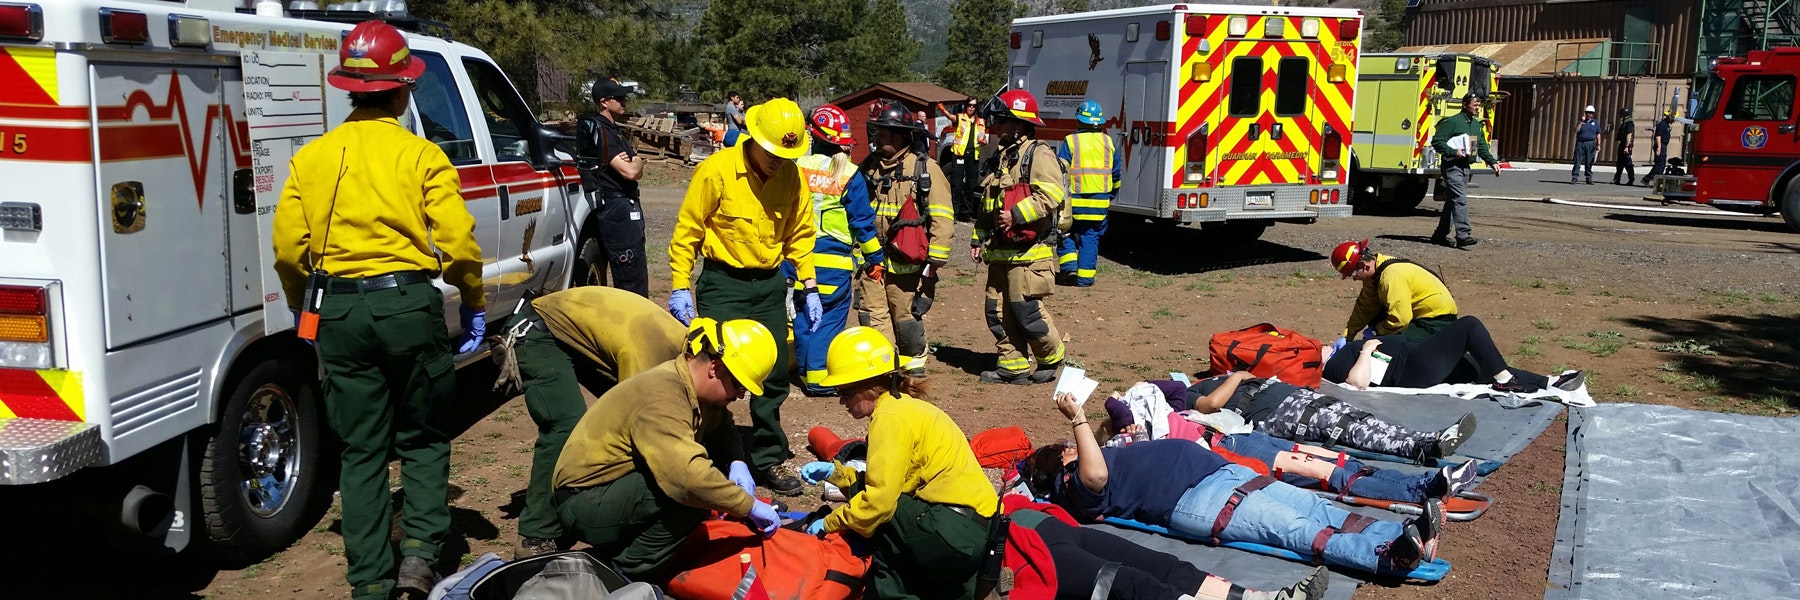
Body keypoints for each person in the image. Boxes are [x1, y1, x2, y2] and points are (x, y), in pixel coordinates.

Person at [270, 21, 485, 599]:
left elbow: (290, 249)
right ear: (403, 89)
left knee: (361, 450)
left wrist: (302, 310)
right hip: (407, 306)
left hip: (337, 310)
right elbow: (459, 244)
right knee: (421, 437)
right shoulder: (422, 157)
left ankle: (368, 582)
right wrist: (473, 299)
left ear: (350, 89)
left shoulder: (311, 159)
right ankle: (418, 562)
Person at [1020, 399, 1442, 575]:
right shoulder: (1073, 484)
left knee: (1320, 511)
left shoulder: (1095, 455)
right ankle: (1386, 558)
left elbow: (1121, 420)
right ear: (1058, 464)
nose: (1070, 447)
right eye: (1063, 449)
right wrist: (1076, 420)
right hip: (1202, 500)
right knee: (1300, 528)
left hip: (1224, 476)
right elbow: (1094, 479)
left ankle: (1401, 536)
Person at [551, 318, 784, 582]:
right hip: (583, 501)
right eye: (740, 386)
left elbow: (722, 427)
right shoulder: (663, 397)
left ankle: (623, 548)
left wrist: (735, 461)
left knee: (708, 482)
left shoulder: (695, 388)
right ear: (715, 368)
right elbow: (687, 479)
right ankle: (622, 574)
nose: (740, 396)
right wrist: (748, 505)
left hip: (610, 488)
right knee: (696, 493)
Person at [668, 97, 819, 495]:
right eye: (772, 151)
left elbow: (800, 234)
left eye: (786, 154)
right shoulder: (716, 170)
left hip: (768, 284)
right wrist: (681, 283)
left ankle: (768, 456)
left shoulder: (791, 177)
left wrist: (810, 283)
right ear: (753, 137)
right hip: (723, 283)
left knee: (770, 375)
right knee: (714, 370)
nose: (777, 160)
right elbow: (688, 230)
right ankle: (705, 456)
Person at [797, 327, 1000, 599]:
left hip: (950, 534)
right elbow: (899, 481)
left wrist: (831, 522)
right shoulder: (906, 407)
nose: (841, 401)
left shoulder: (889, 418)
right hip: (975, 534)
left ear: (869, 386)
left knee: (875, 525)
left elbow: (879, 502)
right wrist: (838, 474)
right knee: (885, 512)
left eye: (845, 391)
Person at [489, 287, 687, 558]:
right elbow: (637, 423)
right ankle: (536, 534)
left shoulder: (685, 351)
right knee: (566, 425)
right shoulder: (648, 356)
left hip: (586, 338)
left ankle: (592, 500)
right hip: (539, 331)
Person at [1006, 502, 1329, 600]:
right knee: (1128, 582)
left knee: (1166, 566)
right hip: (1019, 551)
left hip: (1051, 527)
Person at [973, 89, 1069, 385]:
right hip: (1000, 251)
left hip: (1030, 253)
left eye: (1002, 121)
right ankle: (1011, 364)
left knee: (1025, 310)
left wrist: (1016, 215)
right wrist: (978, 238)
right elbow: (988, 204)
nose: (995, 127)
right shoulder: (1002, 156)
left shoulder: (1038, 154)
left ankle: (1051, 358)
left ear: (1019, 123)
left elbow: (1052, 193)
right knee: (997, 311)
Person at [790, 104, 885, 396]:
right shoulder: (847, 174)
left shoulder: (796, 169)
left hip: (797, 262)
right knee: (828, 320)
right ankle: (819, 379)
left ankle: (806, 374)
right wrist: (875, 259)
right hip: (833, 266)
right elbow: (862, 223)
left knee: (804, 317)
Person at [1181, 372, 1476, 462]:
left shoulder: (1212, 378)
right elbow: (1210, 405)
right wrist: (1239, 377)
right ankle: (1418, 449)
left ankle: (1430, 438)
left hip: (1293, 397)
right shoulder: (1188, 395)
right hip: (1278, 414)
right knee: (1348, 430)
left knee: (1363, 419)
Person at [861, 99, 956, 376]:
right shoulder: (868, 167)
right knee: (871, 316)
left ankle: (914, 370)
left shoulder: (925, 169)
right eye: (877, 131)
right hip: (872, 262)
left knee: (905, 320)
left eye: (885, 132)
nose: (878, 137)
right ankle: (883, 371)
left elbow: (942, 219)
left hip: (909, 267)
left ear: (902, 135)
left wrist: (933, 266)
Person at [1324, 316, 1587, 394]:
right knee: (1469, 325)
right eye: (1319, 348)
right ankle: (1506, 380)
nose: (1325, 345)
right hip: (1413, 368)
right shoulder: (1336, 363)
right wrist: (1366, 351)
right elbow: (1357, 382)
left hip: (1419, 360)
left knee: (1482, 365)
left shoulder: (1341, 351)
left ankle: (1550, 383)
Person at [575, 78, 649, 296]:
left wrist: (637, 161)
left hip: (626, 205)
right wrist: (637, 162)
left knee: (636, 272)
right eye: (618, 98)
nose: (624, 101)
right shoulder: (601, 131)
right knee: (630, 279)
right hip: (615, 208)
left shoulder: (614, 130)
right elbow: (630, 171)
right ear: (604, 102)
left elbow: (635, 163)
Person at [1330, 239, 1458, 347]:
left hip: (1436, 321)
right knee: (1376, 318)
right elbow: (1365, 307)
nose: (1354, 278)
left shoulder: (1391, 276)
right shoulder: (1375, 273)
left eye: (1352, 274)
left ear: (1363, 266)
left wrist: (1376, 332)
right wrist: (1348, 335)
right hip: (1418, 315)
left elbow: (1400, 320)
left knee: (1393, 346)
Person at [1056, 99, 1121, 287]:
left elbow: (1061, 169)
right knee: (1090, 238)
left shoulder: (1072, 141)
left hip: (1074, 202)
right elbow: (1116, 173)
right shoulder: (1108, 142)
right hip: (1099, 203)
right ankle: (1085, 279)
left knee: (1065, 234)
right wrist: (1112, 193)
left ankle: (1069, 269)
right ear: (1099, 122)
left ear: (1079, 121)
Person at [1427, 93, 1499, 249]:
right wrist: (1453, 152)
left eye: (1479, 105)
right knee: (1460, 199)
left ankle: (1440, 235)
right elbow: (1437, 141)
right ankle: (1463, 235)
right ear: (1465, 105)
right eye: (1474, 105)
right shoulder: (1453, 122)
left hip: (1466, 167)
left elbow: (1480, 147)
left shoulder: (1475, 125)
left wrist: (1492, 162)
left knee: (1453, 201)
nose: (1477, 108)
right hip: (1452, 166)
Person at [945, 99, 988, 221]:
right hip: (959, 155)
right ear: (966, 106)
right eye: (969, 105)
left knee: (971, 186)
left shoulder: (981, 121)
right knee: (957, 184)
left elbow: (983, 137)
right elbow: (951, 117)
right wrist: (944, 111)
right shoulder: (960, 117)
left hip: (973, 156)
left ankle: (966, 214)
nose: (972, 108)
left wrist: (983, 141)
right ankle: (954, 212)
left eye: (974, 106)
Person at [1641, 110, 1675, 185]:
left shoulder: (1667, 125)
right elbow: (1658, 136)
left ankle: (1658, 181)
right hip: (1660, 145)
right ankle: (1647, 179)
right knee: (1659, 164)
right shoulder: (1662, 124)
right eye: (1673, 119)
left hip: (1663, 146)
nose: (1674, 120)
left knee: (1662, 165)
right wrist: (1659, 148)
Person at [1572, 105, 1599, 184]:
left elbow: (1598, 134)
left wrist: (1599, 144)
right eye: (1587, 113)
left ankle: (1588, 177)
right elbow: (1576, 131)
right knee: (1578, 160)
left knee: (1589, 161)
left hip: (1590, 143)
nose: (1588, 114)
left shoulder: (1595, 123)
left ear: (1592, 114)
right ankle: (1575, 177)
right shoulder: (1581, 122)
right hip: (1580, 142)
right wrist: (1581, 122)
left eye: (1590, 113)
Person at [1611, 107, 1636, 186]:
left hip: (1626, 144)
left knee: (1628, 163)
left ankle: (1631, 179)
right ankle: (1617, 178)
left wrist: (1626, 146)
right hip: (1623, 143)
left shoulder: (1629, 123)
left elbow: (1629, 134)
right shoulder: (1626, 121)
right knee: (1620, 163)